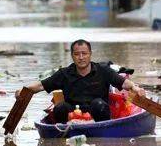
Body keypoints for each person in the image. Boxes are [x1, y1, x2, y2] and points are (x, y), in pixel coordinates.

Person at [15, 39, 146, 122]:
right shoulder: (64, 73)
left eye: (84, 53)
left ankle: (102, 134)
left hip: (98, 111)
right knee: (59, 108)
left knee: (99, 105)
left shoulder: (103, 70)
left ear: (90, 54)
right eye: (77, 54)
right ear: (72, 56)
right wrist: (24, 90)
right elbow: (40, 86)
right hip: (73, 113)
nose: (81, 57)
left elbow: (124, 83)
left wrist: (136, 88)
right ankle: (62, 135)